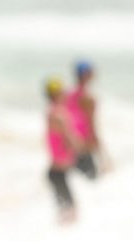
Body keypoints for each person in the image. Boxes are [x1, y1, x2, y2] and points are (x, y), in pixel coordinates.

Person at [45, 77, 82, 224]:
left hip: (56, 171)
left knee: (64, 212)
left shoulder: (52, 112)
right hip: (58, 172)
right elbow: (71, 141)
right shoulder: (58, 115)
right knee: (71, 211)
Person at [65, 59, 111, 177]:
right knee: (92, 180)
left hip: (70, 144)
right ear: (86, 74)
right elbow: (92, 125)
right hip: (84, 144)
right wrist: (103, 156)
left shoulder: (67, 94)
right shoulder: (88, 98)